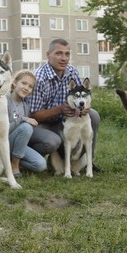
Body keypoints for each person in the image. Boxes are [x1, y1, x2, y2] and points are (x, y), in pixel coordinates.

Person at [27, 38, 100, 168]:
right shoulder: (39, 77)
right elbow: (32, 115)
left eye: (67, 54)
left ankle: (88, 162)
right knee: (51, 142)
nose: (64, 58)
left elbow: (81, 95)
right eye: (59, 53)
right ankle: (26, 160)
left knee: (93, 115)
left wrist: (85, 107)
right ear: (48, 55)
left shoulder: (72, 71)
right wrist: (59, 110)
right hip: (40, 124)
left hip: (64, 120)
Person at [7, 70, 47, 176]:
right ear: (15, 82)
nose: (26, 88)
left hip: (17, 145)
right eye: (23, 83)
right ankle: (14, 167)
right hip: (3, 143)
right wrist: (23, 119)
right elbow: (3, 130)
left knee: (41, 165)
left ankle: (9, 164)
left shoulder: (25, 105)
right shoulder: (4, 100)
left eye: (30, 86)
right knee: (26, 127)